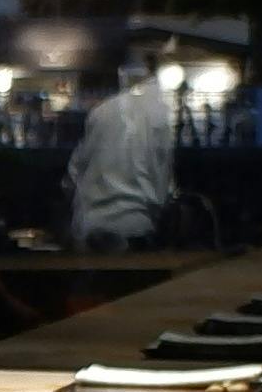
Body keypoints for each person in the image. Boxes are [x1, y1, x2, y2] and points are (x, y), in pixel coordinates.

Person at [62, 56, 177, 251]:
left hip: (91, 225)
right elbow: (162, 181)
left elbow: (72, 176)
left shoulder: (100, 113)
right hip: (136, 224)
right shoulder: (159, 116)